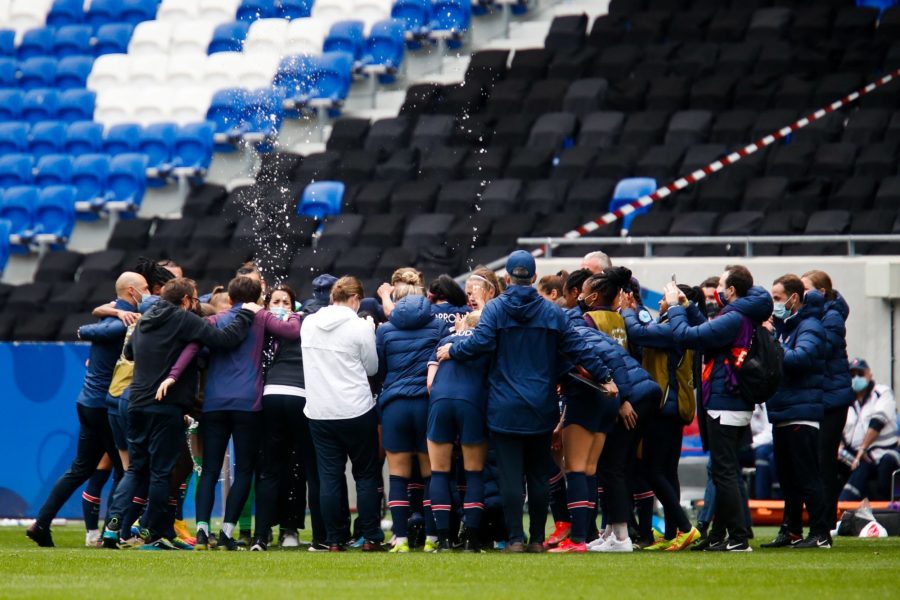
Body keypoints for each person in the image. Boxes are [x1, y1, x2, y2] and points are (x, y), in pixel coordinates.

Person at [436, 251, 617, 553]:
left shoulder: (494, 310)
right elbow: (579, 348)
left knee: (510, 478)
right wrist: (605, 376)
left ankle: (515, 539)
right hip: (541, 406)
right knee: (538, 476)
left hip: (503, 407)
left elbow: (479, 343)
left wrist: (452, 350)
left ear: (507, 278)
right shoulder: (552, 313)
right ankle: (536, 539)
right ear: (533, 278)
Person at [102, 278, 261, 550]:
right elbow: (225, 339)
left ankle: (113, 528)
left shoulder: (145, 319)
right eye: (195, 298)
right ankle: (153, 532)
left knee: (136, 468)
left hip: (136, 402)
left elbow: (129, 352)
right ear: (186, 300)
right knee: (163, 472)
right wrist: (247, 313)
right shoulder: (184, 320)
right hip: (166, 405)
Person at [161, 276, 301, 551]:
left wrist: (173, 375)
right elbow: (292, 332)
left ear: (231, 297)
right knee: (244, 470)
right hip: (249, 404)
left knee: (210, 468)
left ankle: (202, 531)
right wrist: (292, 313)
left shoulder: (214, 321)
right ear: (258, 297)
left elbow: (192, 348)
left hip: (214, 404)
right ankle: (227, 533)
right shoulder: (260, 318)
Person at [26, 272, 148, 548]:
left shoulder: (113, 316)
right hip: (104, 405)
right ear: (132, 292)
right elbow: (91, 331)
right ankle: (113, 532)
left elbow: (89, 328)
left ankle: (41, 523)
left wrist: (104, 316)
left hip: (88, 401)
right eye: (145, 290)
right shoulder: (123, 322)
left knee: (81, 468)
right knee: (123, 469)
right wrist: (110, 319)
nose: (149, 294)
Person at [664, 265, 773, 552]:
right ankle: (727, 535)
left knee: (724, 472)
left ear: (732, 290)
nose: (718, 290)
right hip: (735, 402)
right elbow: (709, 334)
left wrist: (675, 308)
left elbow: (690, 337)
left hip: (725, 401)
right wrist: (689, 307)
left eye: (722, 285)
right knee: (728, 470)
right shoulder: (744, 315)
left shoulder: (734, 316)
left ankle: (737, 538)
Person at [301, 277, 385, 552]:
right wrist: (369, 332)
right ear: (354, 299)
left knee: (329, 477)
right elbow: (372, 368)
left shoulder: (308, 323)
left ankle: (334, 539)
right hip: (356, 408)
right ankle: (371, 536)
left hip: (320, 411)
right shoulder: (359, 326)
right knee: (366, 475)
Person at [622, 284, 704, 551]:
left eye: (665, 299)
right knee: (668, 471)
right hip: (675, 406)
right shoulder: (682, 323)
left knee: (652, 469)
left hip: (664, 407)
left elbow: (638, 333)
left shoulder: (673, 327)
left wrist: (627, 312)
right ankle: (672, 534)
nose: (658, 303)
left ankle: (683, 527)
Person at [252, 284, 326, 551]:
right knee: (311, 469)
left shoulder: (279, 325)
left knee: (271, 469)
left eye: (286, 301)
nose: (281, 306)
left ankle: (261, 536)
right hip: (300, 395)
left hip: (273, 395)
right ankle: (320, 537)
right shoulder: (308, 328)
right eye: (276, 301)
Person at [761, 275, 831, 550]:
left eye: (778, 298)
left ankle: (821, 532)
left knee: (807, 476)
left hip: (801, 411)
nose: (774, 304)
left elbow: (800, 359)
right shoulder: (786, 326)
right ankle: (791, 530)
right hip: (783, 410)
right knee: (788, 479)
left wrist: (772, 341)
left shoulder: (810, 325)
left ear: (794, 298)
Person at [376, 294, 446, 553]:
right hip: (426, 404)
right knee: (430, 474)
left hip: (395, 405)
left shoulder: (385, 330)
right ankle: (431, 538)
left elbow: (380, 368)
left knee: (397, 475)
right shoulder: (437, 326)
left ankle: (402, 540)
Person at [548, 320, 626, 553]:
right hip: (609, 398)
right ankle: (588, 536)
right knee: (590, 469)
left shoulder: (560, 337)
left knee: (575, 469)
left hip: (585, 396)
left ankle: (578, 539)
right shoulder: (592, 336)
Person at [427, 310, 490, 552]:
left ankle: (443, 540)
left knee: (439, 473)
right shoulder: (486, 341)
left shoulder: (446, 341)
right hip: (472, 401)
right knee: (474, 473)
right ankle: (471, 541)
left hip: (440, 400)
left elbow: (430, 382)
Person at [801, 270, 854, 527]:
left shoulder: (830, 317)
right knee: (816, 460)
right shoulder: (821, 316)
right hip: (822, 396)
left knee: (824, 460)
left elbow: (820, 349)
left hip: (832, 399)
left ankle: (825, 522)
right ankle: (820, 520)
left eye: (805, 289)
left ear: (820, 292)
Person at [839, 358, 899, 502]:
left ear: (869, 374)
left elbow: (877, 422)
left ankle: (885, 512)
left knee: (885, 462)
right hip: (859, 457)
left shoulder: (882, 392)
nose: (856, 378)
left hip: (885, 451)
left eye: (860, 373)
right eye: (852, 375)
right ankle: (839, 510)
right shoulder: (846, 401)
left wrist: (862, 449)